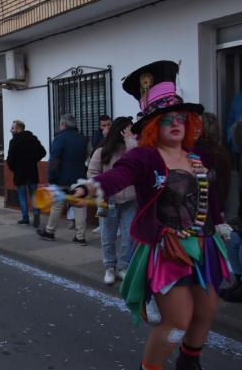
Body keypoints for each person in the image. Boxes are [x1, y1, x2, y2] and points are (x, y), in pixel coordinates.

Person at [71, 61, 232, 370]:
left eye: (180, 118)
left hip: (206, 245)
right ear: (151, 126)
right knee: (177, 320)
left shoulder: (200, 156)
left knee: (206, 310)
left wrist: (220, 219)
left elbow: (208, 196)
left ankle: (189, 361)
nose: (175, 124)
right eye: (165, 119)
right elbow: (119, 176)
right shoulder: (144, 157)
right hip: (168, 248)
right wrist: (89, 188)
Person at [87, 117, 137, 284]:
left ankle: (123, 266)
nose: (132, 133)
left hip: (130, 200)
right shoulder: (102, 151)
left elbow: (138, 161)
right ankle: (109, 267)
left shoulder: (132, 147)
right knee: (108, 236)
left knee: (128, 236)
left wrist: (130, 140)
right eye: (128, 130)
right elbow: (92, 173)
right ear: (120, 131)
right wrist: (102, 191)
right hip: (110, 201)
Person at [37, 114, 89, 245]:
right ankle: (80, 236)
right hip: (80, 178)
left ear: (63, 125)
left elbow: (54, 160)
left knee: (57, 205)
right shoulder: (84, 139)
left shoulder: (59, 139)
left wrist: (51, 178)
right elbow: (89, 157)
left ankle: (49, 231)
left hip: (62, 179)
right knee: (80, 206)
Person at [6, 120, 46, 227]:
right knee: (34, 196)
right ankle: (36, 214)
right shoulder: (33, 138)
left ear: (19, 129)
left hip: (20, 173)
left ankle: (25, 218)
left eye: (13, 128)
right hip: (32, 172)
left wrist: (14, 168)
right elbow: (43, 152)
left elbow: (10, 159)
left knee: (22, 196)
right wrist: (33, 160)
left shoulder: (14, 141)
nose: (11, 130)